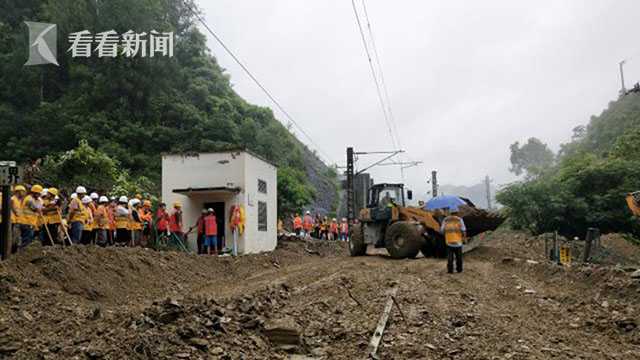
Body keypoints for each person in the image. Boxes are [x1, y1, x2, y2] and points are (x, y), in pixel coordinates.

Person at [440, 208, 466, 273]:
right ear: (457, 212)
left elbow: (442, 231)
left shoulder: (445, 220)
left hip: (449, 241)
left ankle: (450, 270)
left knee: (450, 258)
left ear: (450, 213)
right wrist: (464, 239)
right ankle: (459, 270)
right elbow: (463, 230)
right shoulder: (459, 220)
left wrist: (445, 234)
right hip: (458, 242)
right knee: (459, 257)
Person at [20, 184, 44, 249]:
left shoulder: (33, 199)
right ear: (35, 193)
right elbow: (38, 209)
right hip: (26, 222)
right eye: (38, 194)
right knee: (26, 239)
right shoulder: (29, 200)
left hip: (30, 222)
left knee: (29, 239)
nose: (39, 196)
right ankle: (22, 253)